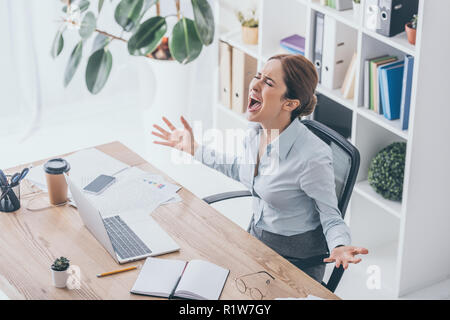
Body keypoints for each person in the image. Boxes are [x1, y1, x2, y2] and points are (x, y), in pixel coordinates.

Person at [151, 54, 368, 283]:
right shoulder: (257, 131)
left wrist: (340, 246)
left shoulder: (312, 158)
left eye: (268, 83)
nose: (254, 85)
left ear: (290, 103)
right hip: (255, 243)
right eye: (258, 77)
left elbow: (331, 217)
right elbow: (240, 170)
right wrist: (193, 148)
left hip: (295, 264)